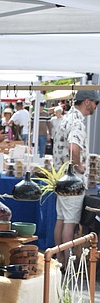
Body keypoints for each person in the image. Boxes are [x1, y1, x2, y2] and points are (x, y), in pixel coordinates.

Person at [52, 89, 99, 260]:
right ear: (87, 102)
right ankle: (67, 263)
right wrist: (79, 167)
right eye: (96, 103)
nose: (96, 107)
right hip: (72, 181)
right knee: (69, 222)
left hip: (61, 178)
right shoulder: (77, 122)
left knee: (61, 219)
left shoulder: (65, 119)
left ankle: (60, 261)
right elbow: (73, 147)